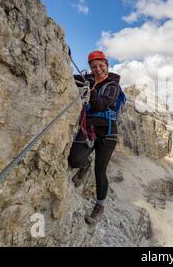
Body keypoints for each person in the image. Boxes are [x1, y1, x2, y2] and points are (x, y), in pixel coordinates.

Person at [68, 50, 124, 226]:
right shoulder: (89, 80)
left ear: (107, 65)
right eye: (94, 67)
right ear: (90, 68)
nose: (98, 69)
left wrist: (88, 90)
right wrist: (64, 55)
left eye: (101, 65)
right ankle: (85, 165)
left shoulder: (113, 86)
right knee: (74, 160)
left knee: (100, 171)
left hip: (108, 134)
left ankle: (99, 206)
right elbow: (69, 76)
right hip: (90, 128)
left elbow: (100, 105)